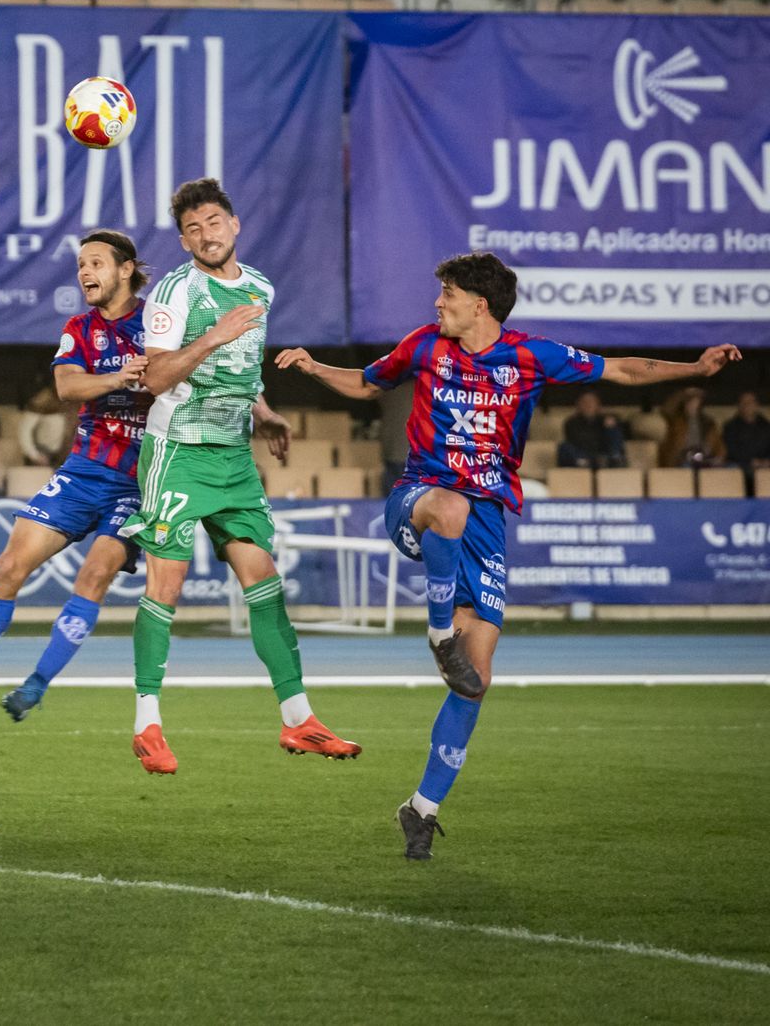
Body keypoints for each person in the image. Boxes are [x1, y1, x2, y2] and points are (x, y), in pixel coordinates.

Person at [275, 250, 740, 861]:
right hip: (419, 499)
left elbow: (621, 371)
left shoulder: (530, 356)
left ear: (479, 303)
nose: (437, 302)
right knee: (450, 507)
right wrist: (311, 366)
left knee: (477, 680)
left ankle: (422, 808)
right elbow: (366, 383)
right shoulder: (423, 345)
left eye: (447, 293)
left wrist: (696, 369)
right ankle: (438, 631)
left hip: (487, 521)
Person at [116, 177, 360, 775]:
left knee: (264, 582)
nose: (205, 235)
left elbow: (243, 371)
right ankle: (146, 724)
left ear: (235, 225)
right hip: (177, 451)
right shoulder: (175, 291)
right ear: (183, 239)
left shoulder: (259, 288)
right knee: (166, 587)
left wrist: (267, 412)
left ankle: (299, 719)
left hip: (233, 457)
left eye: (213, 223)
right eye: (193, 228)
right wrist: (213, 335)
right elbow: (154, 378)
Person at [0, 230, 153, 727]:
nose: (84, 272)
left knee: (95, 574)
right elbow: (67, 386)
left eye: (95, 263)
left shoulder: (160, 320)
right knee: (5, 569)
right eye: (80, 264)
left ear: (125, 269)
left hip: (141, 480)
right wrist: (119, 377)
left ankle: (37, 683)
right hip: (84, 471)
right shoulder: (79, 328)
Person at [556, 390, 626, 469]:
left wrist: (610, 427)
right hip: (582, 455)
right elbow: (577, 441)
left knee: (613, 431)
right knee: (564, 447)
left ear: (598, 405)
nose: (588, 405)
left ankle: (615, 458)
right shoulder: (571, 422)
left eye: (592, 402)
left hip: (603, 456)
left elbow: (616, 437)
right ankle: (584, 462)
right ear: (579, 405)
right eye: (585, 402)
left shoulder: (605, 419)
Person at [658, 386, 726, 468]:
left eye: (695, 402)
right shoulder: (677, 420)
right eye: (689, 402)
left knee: (730, 468)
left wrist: (719, 458)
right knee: (687, 467)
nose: (692, 405)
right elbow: (666, 409)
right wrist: (683, 394)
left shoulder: (708, 422)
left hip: (704, 457)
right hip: (681, 459)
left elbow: (719, 445)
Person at [723, 391, 770, 492]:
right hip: (741, 464)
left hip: (765, 465)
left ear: (757, 405)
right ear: (739, 406)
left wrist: (766, 461)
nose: (748, 405)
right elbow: (731, 450)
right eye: (744, 403)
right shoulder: (730, 427)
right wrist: (750, 461)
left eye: (751, 402)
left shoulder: (766, 426)